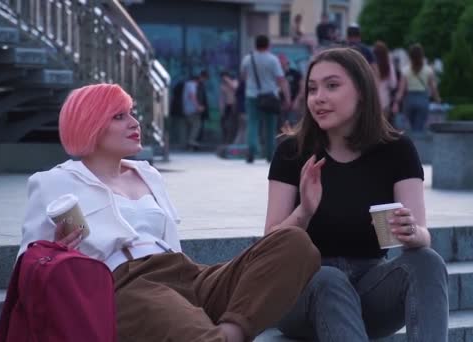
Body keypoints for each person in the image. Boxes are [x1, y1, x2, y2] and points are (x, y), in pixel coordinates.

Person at [17, 83, 320, 342]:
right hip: (124, 283)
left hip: (186, 273)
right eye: (119, 117)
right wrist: (56, 249)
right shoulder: (54, 182)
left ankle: (230, 332)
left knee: (294, 244)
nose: (135, 123)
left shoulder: (148, 174)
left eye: (132, 113)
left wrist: (305, 210)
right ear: (90, 124)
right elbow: (29, 264)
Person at [265, 48, 449, 341]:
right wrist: (304, 212)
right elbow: (270, 243)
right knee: (329, 279)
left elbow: (422, 235)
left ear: (362, 92)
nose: (319, 97)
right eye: (312, 89)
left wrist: (411, 232)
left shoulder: (396, 150)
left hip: (369, 288)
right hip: (301, 289)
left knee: (428, 262)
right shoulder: (292, 151)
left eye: (332, 86)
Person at [240, 35, 291, 163]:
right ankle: (269, 154)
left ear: (255, 45)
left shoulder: (248, 58)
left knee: (252, 123)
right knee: (270, 126)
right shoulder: (273, 60)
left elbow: (243, 76)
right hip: (270, 96)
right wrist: (287, 97)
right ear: (268, 45)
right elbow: (281, 79)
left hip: (252, 96)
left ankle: (251, 151)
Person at [393, 44, 441, 132]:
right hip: (423, 99)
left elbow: (401, 90)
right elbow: (433, 88)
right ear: (422, 55)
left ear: (410, 56)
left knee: (410, 128)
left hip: (409, 100)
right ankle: (419, 143)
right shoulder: (428, 70)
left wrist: (396, 103)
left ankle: (413, 142)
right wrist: (438, 100)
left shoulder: (405, 70)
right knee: (419, 128)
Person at [373, 41, 398, 122]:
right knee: (383, 127)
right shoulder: (389, 65)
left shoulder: (371, 65)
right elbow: (393, 84)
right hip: (385, 100)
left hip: (372, 99)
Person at [278, 54, 303, 127]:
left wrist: (297, 100)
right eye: (280, 65)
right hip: (280, 105)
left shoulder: (295, 73)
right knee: (280, 126)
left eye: (283, 64)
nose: (282, 66)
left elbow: (302, 87)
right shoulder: (277, 75)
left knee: (292, 124)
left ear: (287, 63)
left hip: (293, 103)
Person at [182, 74, 204, 149]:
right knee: (196, 125)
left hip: (188, 109)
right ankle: (191, 140)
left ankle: (188, 142)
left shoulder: (187, 84)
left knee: (190, 126)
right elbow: (192, 96)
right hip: (192, 109)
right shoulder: (192, 85)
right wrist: (198, 107)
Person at [219, 71, 239, 144]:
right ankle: (225, 140)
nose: (223, 79)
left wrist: (228, 80)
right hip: (226, 106)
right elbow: (221, 98)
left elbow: (235, 88)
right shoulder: (222, 85)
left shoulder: (234, 81)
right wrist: (221, 109)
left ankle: (233, 141)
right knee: (225, 124)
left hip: (234, 105)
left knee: (234, 124)